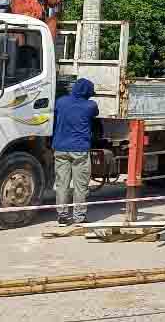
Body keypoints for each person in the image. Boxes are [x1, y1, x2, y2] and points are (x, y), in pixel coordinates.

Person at [52, 78, 99, 225]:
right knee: (80, 186)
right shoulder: (90, 105)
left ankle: (62, 216)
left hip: (60, 148)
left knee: (62, 184)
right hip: (80, 150)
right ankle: (79, 217)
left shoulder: (60, 102)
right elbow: (95, 115)